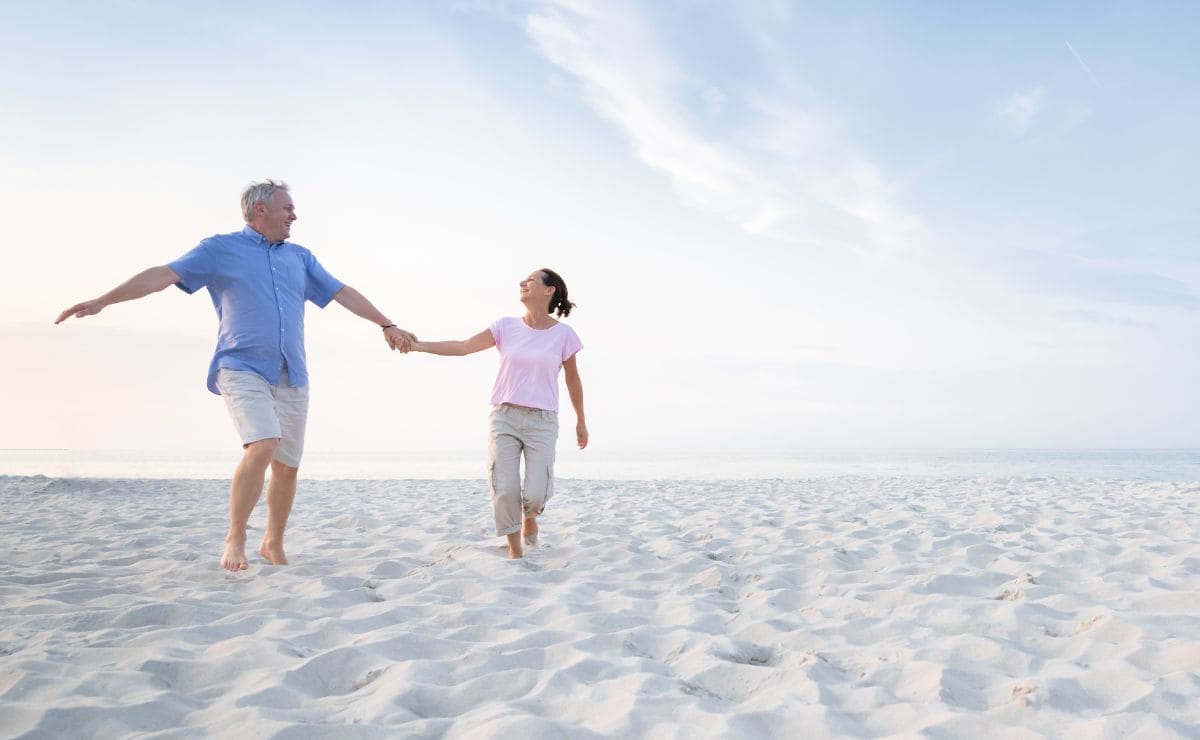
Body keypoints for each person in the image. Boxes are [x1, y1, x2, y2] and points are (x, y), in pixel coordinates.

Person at [55, 180, 416, 572]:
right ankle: (236, 536)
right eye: (287, 208)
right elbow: (163, 274)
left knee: (287, 465)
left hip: (291, 371)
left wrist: (387, 325)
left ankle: (272, 542)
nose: (294, 215)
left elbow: (342, 293)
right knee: (263, 442)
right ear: (260, 210)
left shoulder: (300, 257)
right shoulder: (220, 249)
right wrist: (104, 300)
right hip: (240, 365)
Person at [409, 269, 587, 559]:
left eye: (531, 280)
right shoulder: (504, 326)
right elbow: (464, 347)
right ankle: (515, 552)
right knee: (504, 488)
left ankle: (530, 516)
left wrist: (580, 420)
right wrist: (418, 346)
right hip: (504, 417)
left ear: (549, 290)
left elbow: (573, 380)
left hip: (542, 421)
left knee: (536, 493)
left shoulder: (564, 335)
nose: (523, 283)